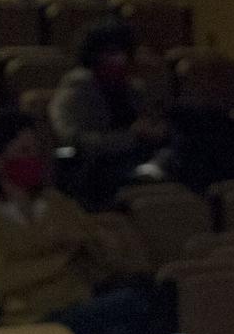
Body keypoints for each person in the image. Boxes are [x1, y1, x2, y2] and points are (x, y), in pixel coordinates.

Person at [0, 109, 158, 334]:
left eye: (36, 151)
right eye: (24, 152)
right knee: (129, 307)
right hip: (23, 319)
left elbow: (99, 268)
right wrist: (62, 255)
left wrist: (100, 245)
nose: (34, 159)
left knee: (135, 311)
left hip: (78, 306)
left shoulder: (58, 203)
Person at [48, 19, 171, 206]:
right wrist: (132, 136)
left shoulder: (132, 88)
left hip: (135, 159)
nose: (120, 59)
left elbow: (151, 120)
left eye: (124, 53)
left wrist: (154, 131)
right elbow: (76, 141)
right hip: (95, 169)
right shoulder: (76, 90)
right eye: (112, 53)